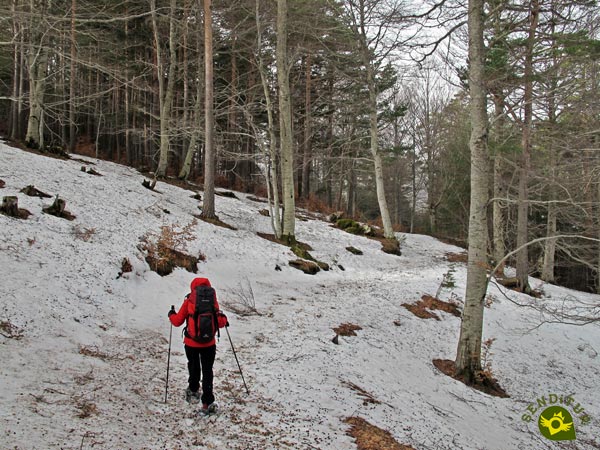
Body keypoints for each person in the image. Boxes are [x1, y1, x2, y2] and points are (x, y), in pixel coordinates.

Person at [168, 277, 228, 414]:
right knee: (208, 370)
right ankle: (207, 402)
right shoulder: (213, 300)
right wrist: (224, 319)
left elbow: (177, 321)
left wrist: (171, 315)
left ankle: (194, 390)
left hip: (191, 343)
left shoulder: (190, 300)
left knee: (193, 366)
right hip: (209, 343)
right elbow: (220, 321)